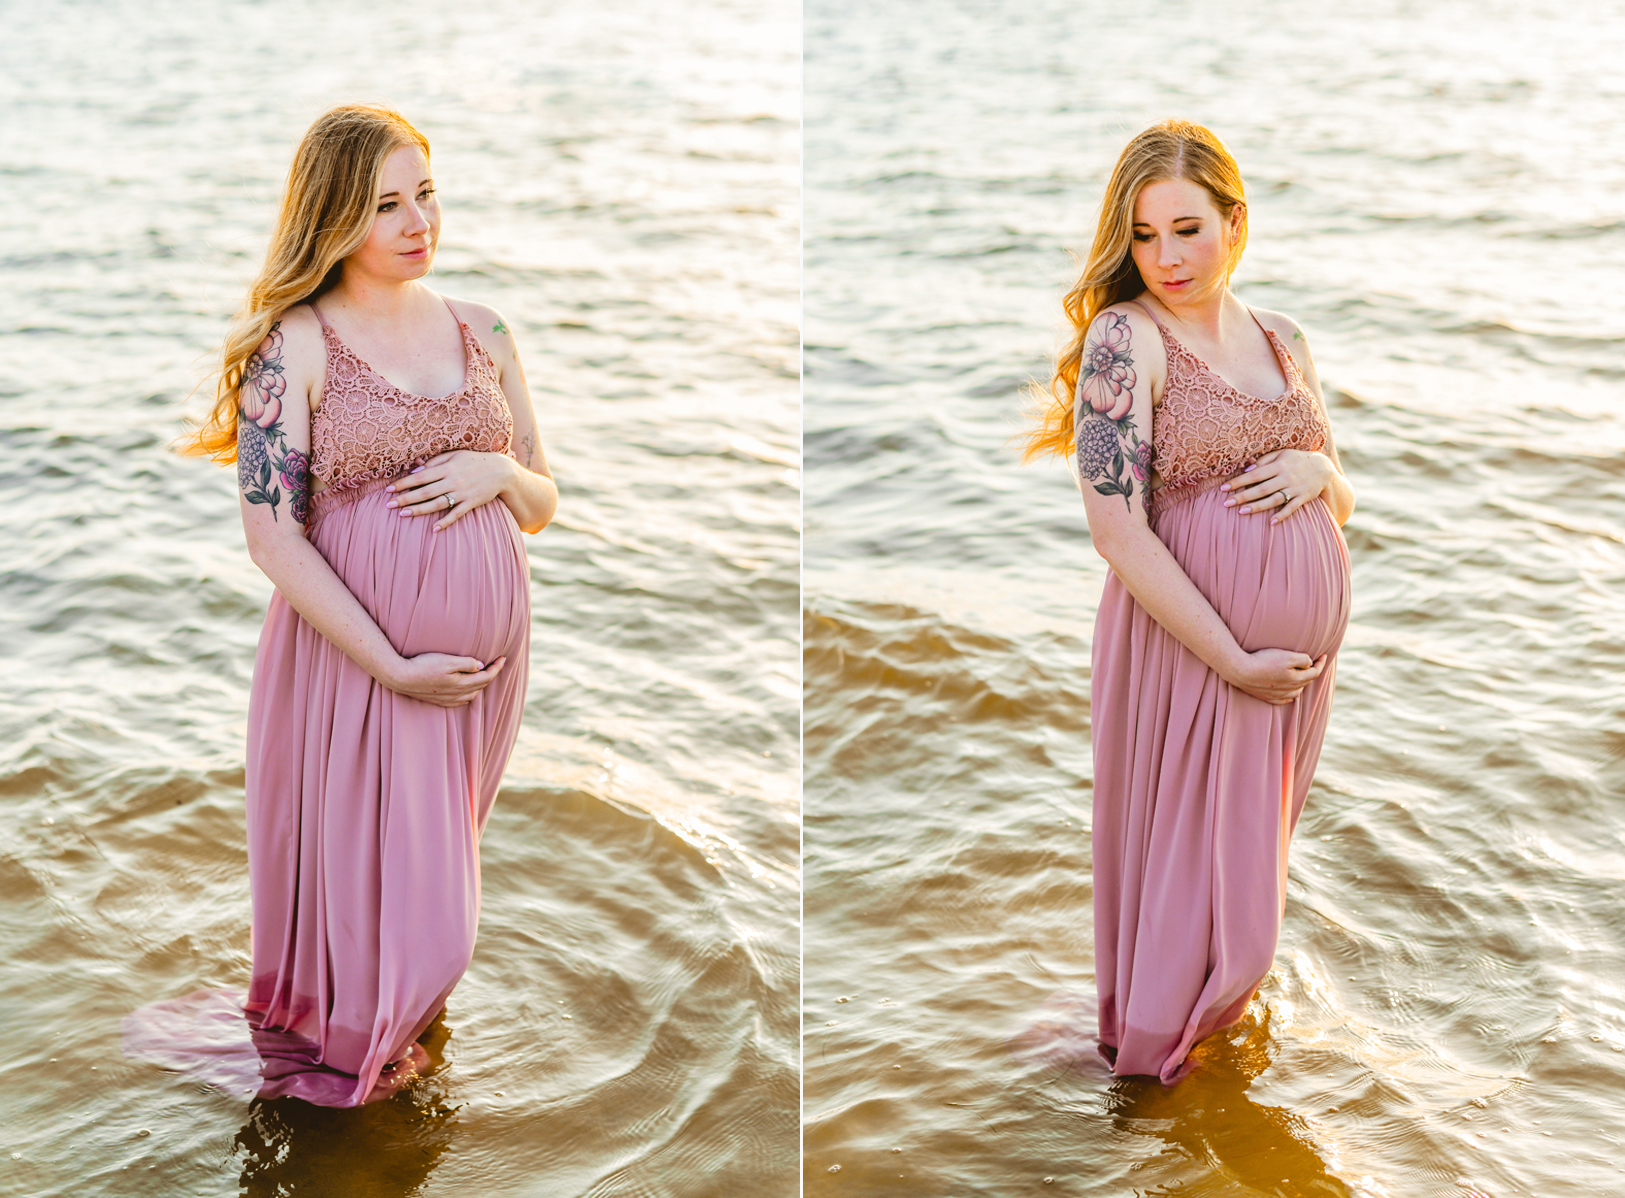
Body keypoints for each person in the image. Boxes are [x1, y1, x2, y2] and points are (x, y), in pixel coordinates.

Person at [175, 104, 559, 1105]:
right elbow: (271, 535)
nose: (415, 220)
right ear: (334, 215)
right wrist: (390, 662)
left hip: (477, 677)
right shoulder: (295, 346)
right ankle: (350, 1084)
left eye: (424, 193)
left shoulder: (484, 329)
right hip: (356, 662)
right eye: (385, 203)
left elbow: (545, 501)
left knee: (416, 891)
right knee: (420, 911)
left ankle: (392, 1058)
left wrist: (496, 471)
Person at [1023, 119, 1354, 1084]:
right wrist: (1232, 659)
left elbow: (1344, 492)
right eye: (1141, 235)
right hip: (1194, 650)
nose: (1164, 256)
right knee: (1204, 899)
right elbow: (1114, 526)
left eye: (1185, 229)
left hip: (1287, 672)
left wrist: (1313, 468)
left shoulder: (1284, 337)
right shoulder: (1125, 338)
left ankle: (1195, 1097)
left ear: (1234, 222)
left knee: (1243, 897)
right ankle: (1142, 1095)